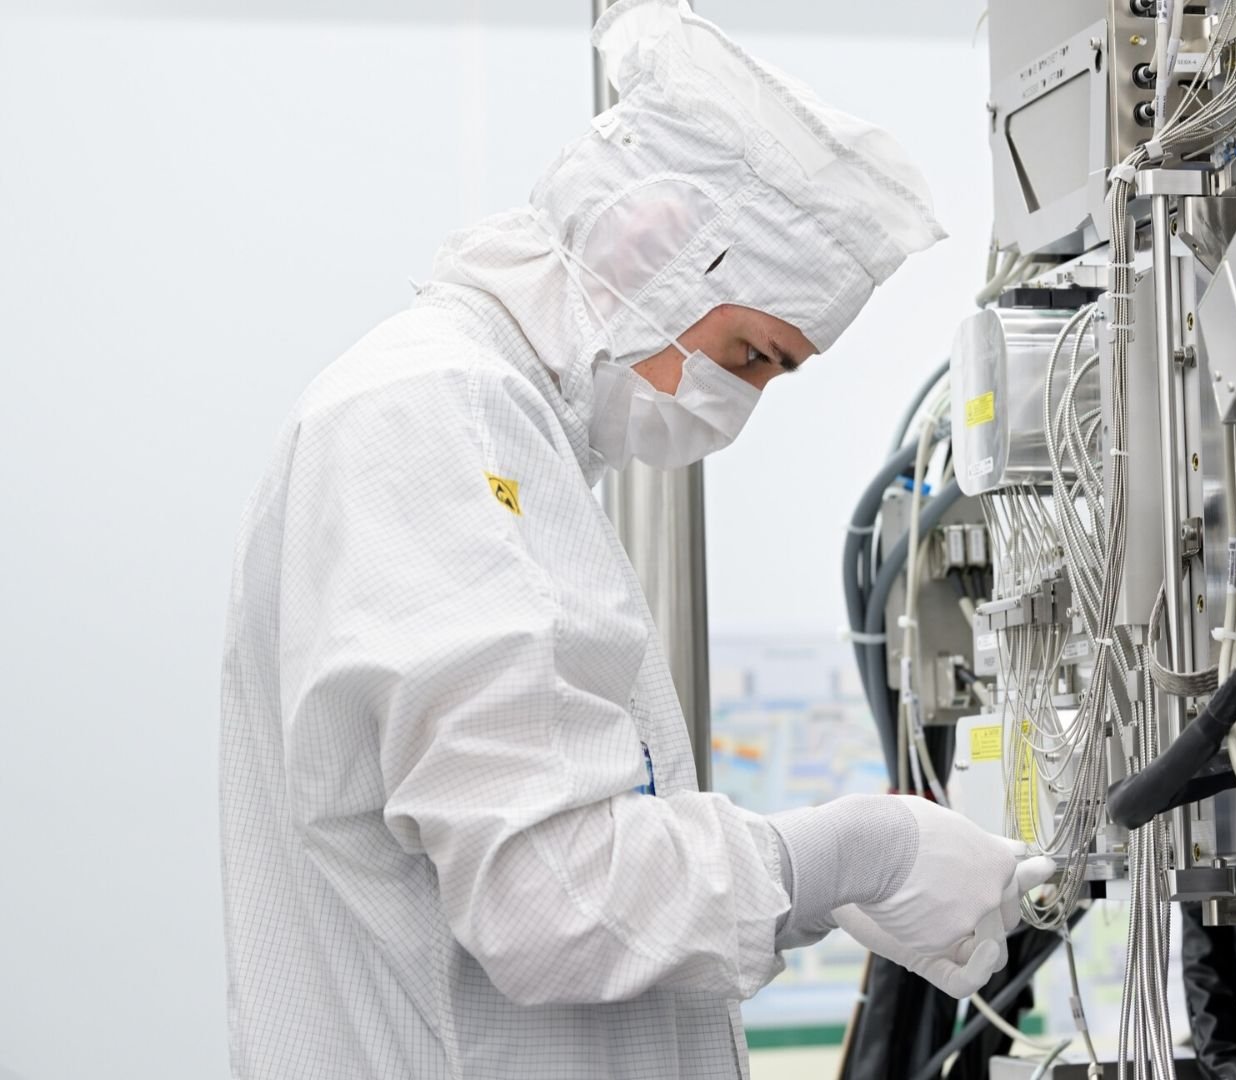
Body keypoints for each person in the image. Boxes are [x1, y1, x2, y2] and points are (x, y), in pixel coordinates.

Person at [218, 2, 1053, 1077]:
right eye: (751, 355)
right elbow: (550, 896)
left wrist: (806, 893)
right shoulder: (433, 416)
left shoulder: (504, 431)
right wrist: (853, 853)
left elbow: (563, 854)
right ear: (651, 244)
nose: (741, 405)